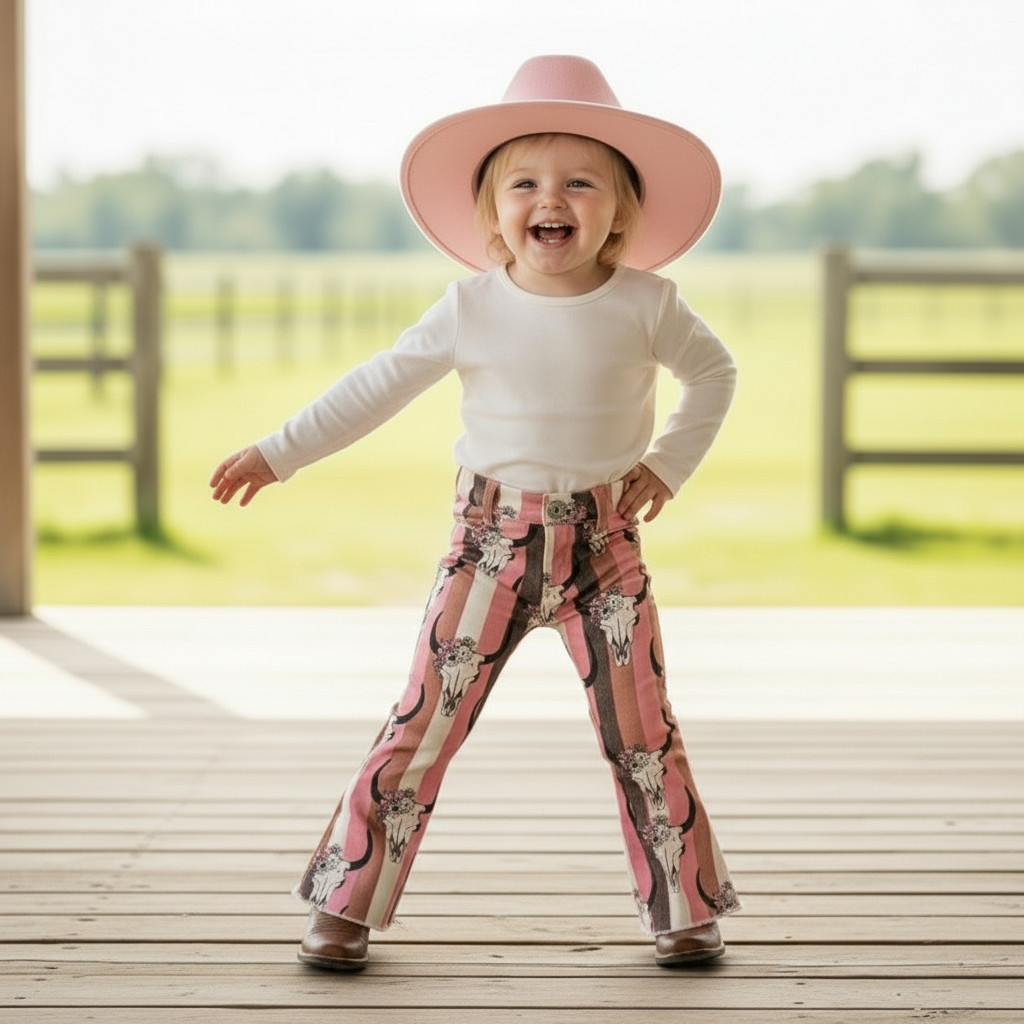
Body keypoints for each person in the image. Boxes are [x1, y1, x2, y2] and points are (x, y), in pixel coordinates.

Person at [210, 54, 741, 970]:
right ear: (494, 212)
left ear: (620, 211)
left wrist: (668, 465)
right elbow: (373, 387)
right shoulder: (470, 308)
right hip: (489, 546)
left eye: (582, 182)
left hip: (606, 548)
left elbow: (715, 375)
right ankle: (347, 900)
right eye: (526, 183)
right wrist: (280, 451)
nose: (554, 198)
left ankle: (684, 907)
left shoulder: (650, 306)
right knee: (421, 724)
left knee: (643, 731)